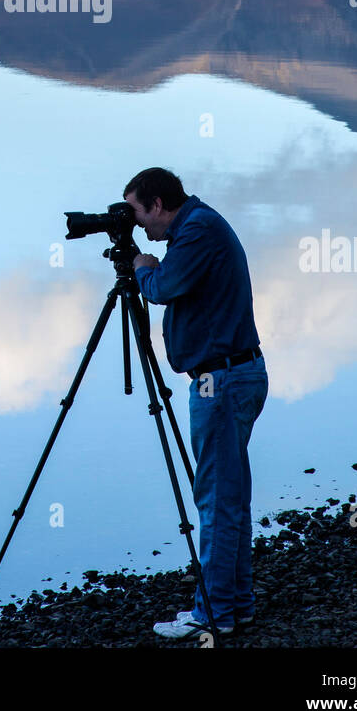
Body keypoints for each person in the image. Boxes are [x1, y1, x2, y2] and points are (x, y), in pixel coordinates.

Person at [123, 166, 268, 641]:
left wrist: (141, 266)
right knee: (230, 498)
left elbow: (162, 288)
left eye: (140, 214)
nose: (140, 225)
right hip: (231, 375)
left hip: (220, 381)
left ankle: (213, 614)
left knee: (216, 501)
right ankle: (237, 603)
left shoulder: (198, 229)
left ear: (159, 205)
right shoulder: (198, 225)